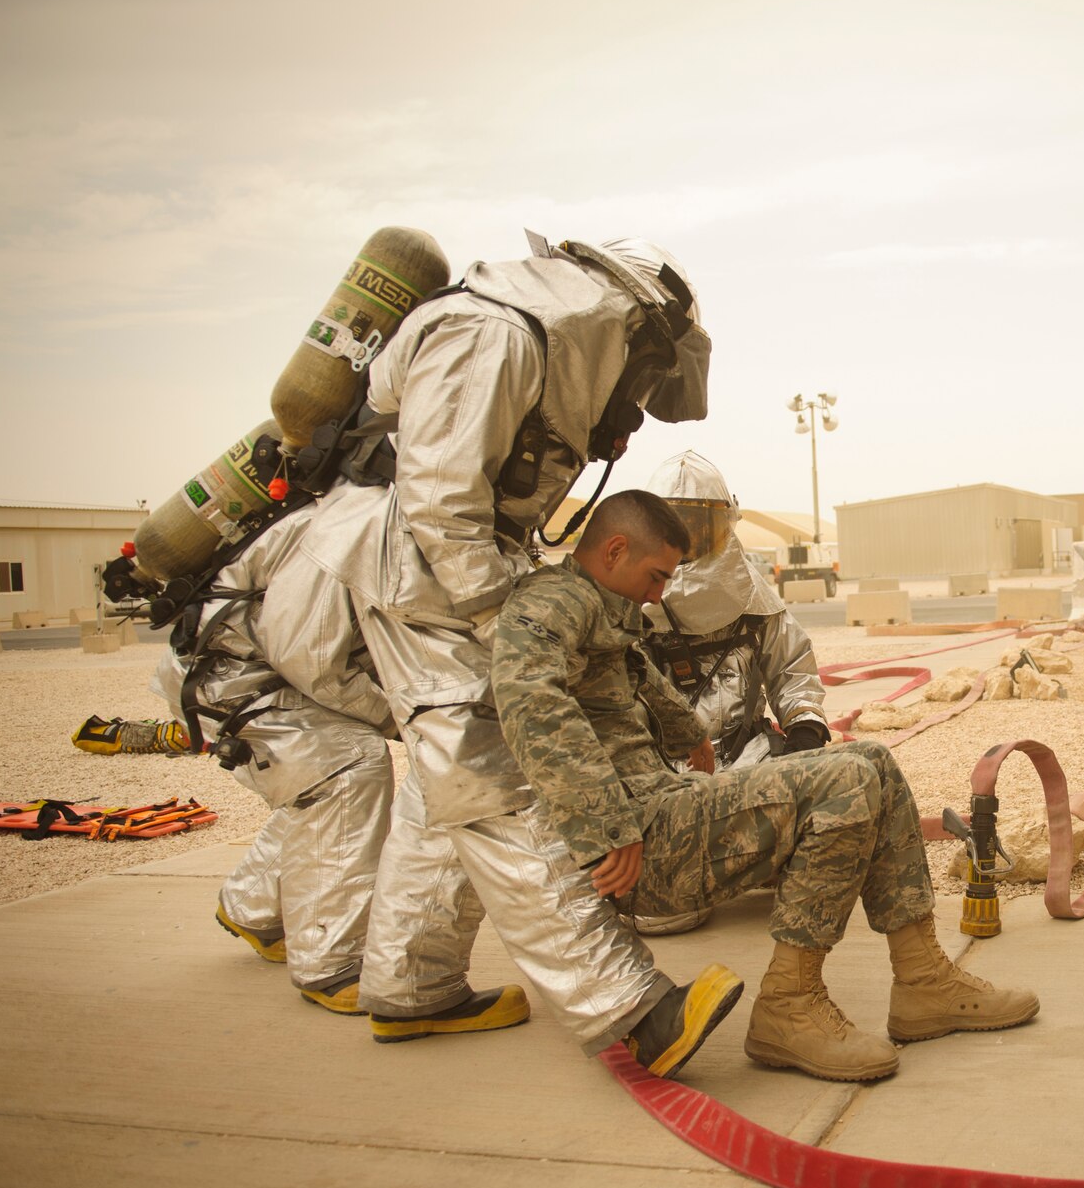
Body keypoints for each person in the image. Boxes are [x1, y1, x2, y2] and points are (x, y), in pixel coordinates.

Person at [294, 232, 737, 1074]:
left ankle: (413, 986)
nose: (639, 400)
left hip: (446, 571)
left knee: (449, 786)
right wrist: (509, 622)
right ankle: (630, 1007)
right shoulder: (495, 335)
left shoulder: (535, 339)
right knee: (499, 778)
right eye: (646, 376)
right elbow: (439, 500)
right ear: (631, 330)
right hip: (419, 572)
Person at [494, 491, 1039, 1082]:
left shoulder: (599, 605)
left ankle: (923, 980)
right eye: (655, 576)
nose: (660, 593)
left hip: (662, 811)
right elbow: (530, 701)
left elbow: (630, 673)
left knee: (874, 760)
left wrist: (686, 734)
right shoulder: (552, 602)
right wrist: (608, 827)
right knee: (847, 780)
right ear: (614, 549)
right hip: (638, 845)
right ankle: (789, 1006)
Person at [152, 505, 393, 1014]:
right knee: (348, 767)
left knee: (312, 779)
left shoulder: (358, 507)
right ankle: (331, 965)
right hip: (232, 677)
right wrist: (400, 719)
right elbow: (311, 659)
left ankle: (253, 907)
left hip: (242, 669)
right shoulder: (352, 522)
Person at [629, 449, 830, 936]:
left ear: (724, 525)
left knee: (826, 799)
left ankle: (750, 860)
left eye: (700, 525)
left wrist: (805, 727)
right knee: (663, 914)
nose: (689, 538)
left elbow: (792, 669)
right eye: (675, 524)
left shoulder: (756, 601)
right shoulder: (628, 600)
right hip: (657, 770)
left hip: (745, 757)